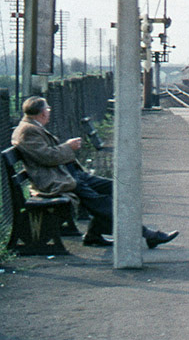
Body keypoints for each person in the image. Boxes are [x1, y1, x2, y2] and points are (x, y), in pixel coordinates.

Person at [11, 96, 179, 249]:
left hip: (69, 175)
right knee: (102, 203)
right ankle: (148, 235)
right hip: (56, 181)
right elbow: (47, 157)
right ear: (42, 113)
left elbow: (47, 155)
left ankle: (94, 235)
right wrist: (68, 147)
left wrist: (66, 148)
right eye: (47, 108)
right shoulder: (27, 131)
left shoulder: (32, 127)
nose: (49, 111)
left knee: (115, 188)